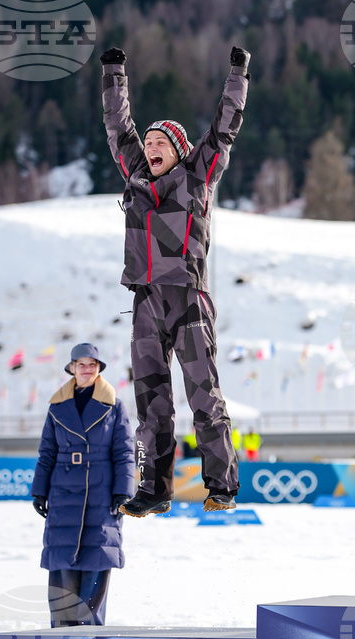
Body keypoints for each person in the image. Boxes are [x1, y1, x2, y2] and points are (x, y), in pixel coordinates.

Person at [100, 44, 251, 516]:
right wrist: (113, 72)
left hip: (188, 299)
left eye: (160, 142)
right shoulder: (136, 177)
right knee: (151, 404)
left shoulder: (197, 177)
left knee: (203, 395)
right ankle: (154, 488)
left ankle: (222, 483)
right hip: (146, 302)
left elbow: (225, 128)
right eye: (148, 143)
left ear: (180, 150)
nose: (150, 148)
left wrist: (237, 73)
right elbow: (115, 125)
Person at [31, 343, 136, 627]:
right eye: (81, 364)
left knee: (96, 561)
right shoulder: (57, 406)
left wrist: (123, 491)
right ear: (72, 368)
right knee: (63, 563)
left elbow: (125, 452)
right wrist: (39, 490)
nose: (87, 369)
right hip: (63, 490)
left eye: (92, 364)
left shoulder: (114, 405)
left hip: (100, 493)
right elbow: (47, 452)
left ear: (99, 368)